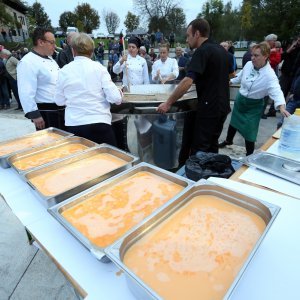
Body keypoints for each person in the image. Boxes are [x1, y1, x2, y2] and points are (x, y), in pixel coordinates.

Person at [157, 19, 231, 165]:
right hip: (223, 107)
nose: (186, 39)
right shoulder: (221, 50)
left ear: (197, 34)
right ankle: (211, 177)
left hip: (209, 109)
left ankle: (196, 183)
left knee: (200, 151)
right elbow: (218, 76)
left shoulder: (202, 51)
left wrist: (168, 103)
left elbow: (187, 81)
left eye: (188, 35)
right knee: (212, 146)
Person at [219, 42, 290, 156]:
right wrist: (230, 81)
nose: (252, 58)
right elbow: (240, 76)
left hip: (253, 106)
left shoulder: (269, 75)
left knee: (250, 131)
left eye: (256, 56)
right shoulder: (248, 64)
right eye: (252, 55)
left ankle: (250, 154)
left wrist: (281, 107)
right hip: (240, 100)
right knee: (233, 122)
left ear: (265, 56)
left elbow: (277, 91)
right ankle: (228, 140)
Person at [54, 33, 123, 146]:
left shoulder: (63, 71)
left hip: (75, 125)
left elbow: (59, 101)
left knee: (80, 162)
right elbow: (115, 98)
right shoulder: (99, 68)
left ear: (73, 50)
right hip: (99, 122)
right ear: (92, 52)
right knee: (108, 161)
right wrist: (119, 93)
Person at [17, 27, 64, 130]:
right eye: (52, 42)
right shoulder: (28, 62)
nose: (54, 46)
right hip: (47, 112)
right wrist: (35, 115)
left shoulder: (51, 59)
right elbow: (25, 91)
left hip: (61, 110)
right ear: (40, 42)